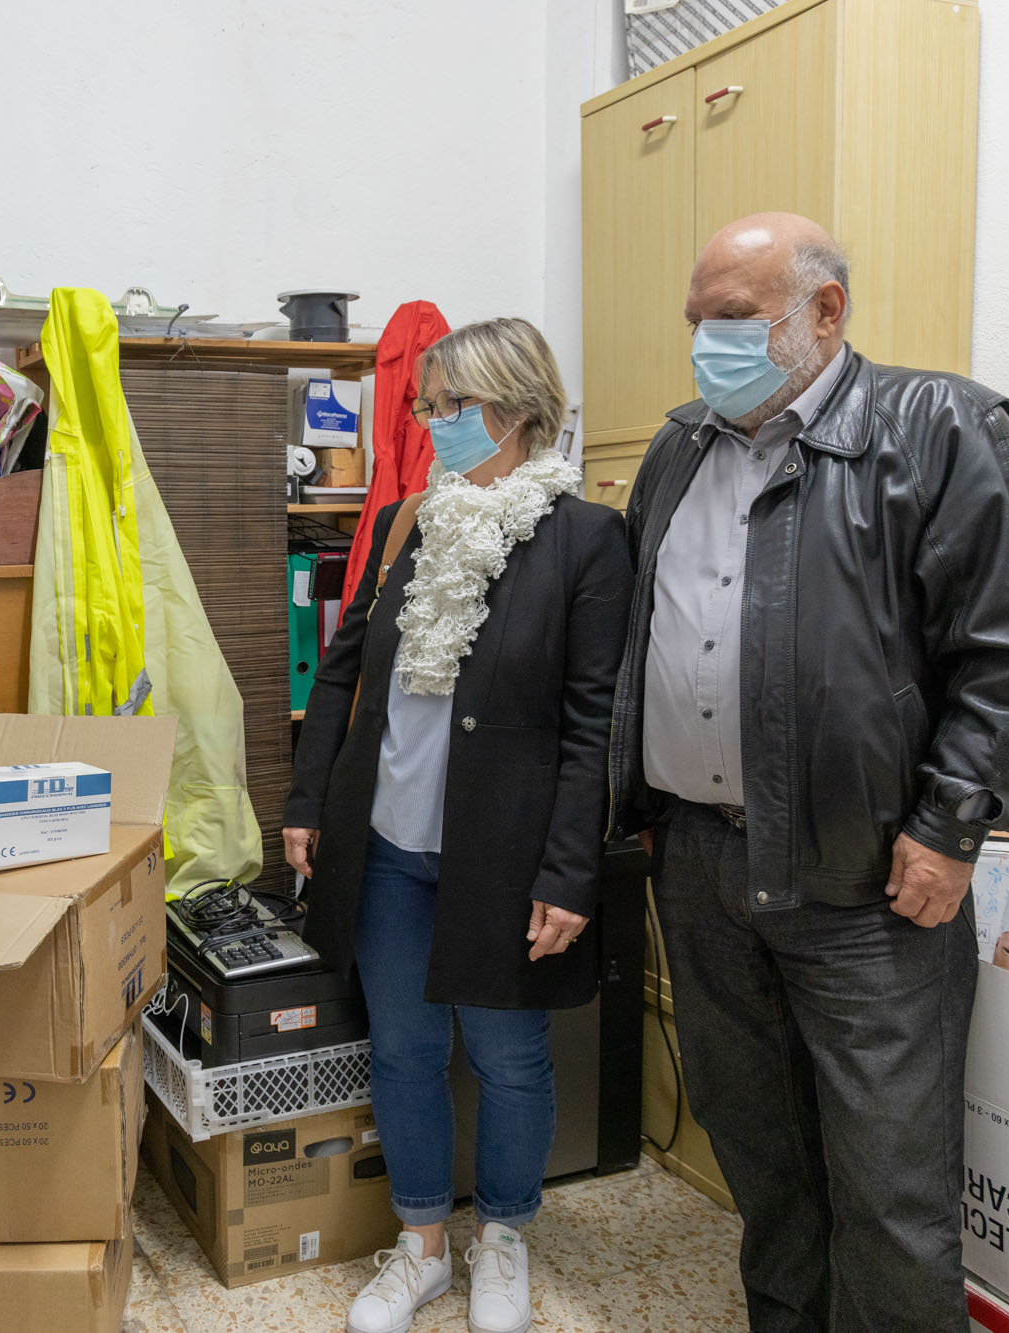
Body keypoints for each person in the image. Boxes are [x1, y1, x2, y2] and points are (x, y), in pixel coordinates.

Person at [610, 212, 1009, 1332]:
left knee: (887, 1187)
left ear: (824, 311)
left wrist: (952, 822)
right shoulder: (678, 447)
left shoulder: (939, 428)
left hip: (866, 880)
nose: (704, 348)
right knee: (764, 1164)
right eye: (695, 324)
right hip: (699, 862)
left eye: (732, 321)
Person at [284, 318, 634, 1333]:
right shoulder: (407, 522)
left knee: (508, 1056)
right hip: (386, 846)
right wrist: (308, 803)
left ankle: (505, 1237)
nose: (433, 425)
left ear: (518, 409)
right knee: (399, 1049)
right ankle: (422, 1244)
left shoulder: (583, 538)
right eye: (428, 408)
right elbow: (342, 667)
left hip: (503, 857)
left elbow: (590, 721)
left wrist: (569, 873)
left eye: (452, 408)